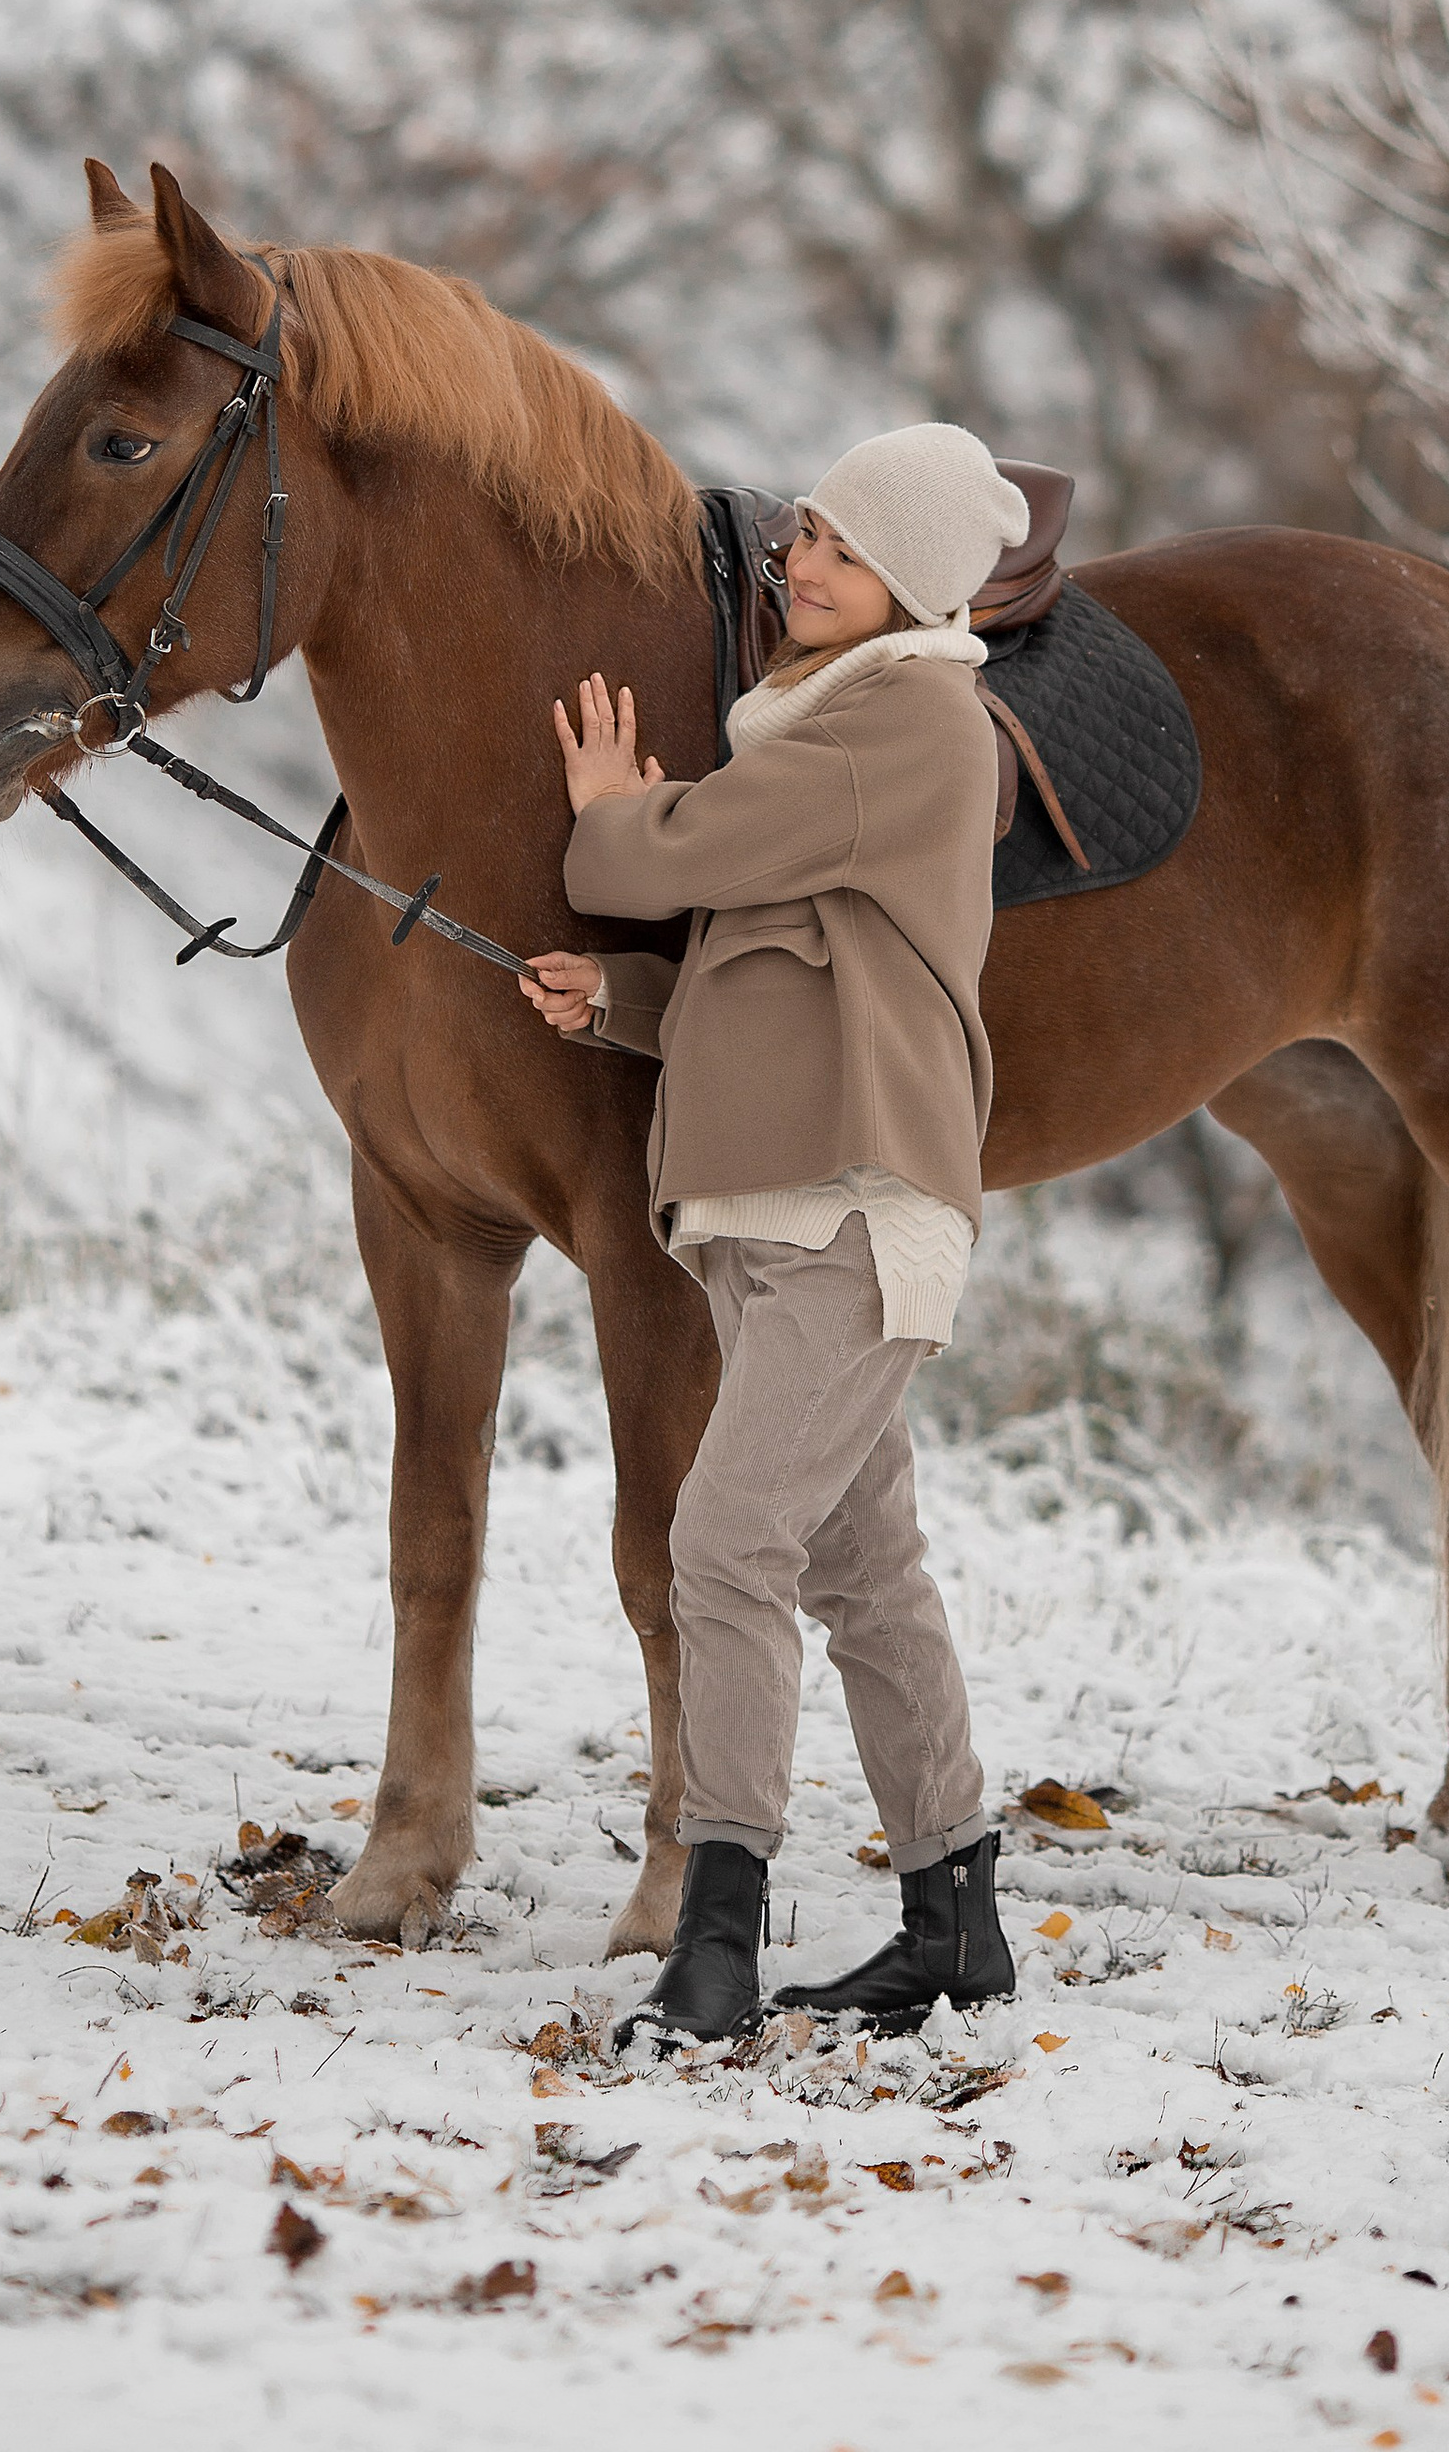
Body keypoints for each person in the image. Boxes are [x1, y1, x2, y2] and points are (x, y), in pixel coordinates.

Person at [519, 423, 1028, 2054]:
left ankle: (716, 1940)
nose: (806, 564)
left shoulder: (908, 717)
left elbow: (685, 853)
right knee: (864, 1571)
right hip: (783, 1203)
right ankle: (955, 1926)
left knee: (726, 1545)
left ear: (915, 588)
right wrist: (622, 998)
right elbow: (778, 964)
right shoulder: (824, 723)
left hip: (853, 1211)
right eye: (808, 532)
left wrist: (609, 814)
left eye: (850, 551)